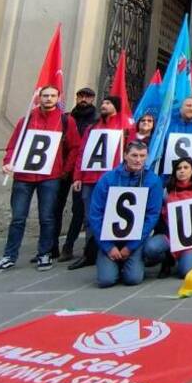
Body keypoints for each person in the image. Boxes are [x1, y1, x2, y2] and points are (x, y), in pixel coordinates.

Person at [0, 85, 81, 275]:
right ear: (39, 98)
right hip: (23, 176)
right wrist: (8, 162)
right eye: (45, 95)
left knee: (47, 217)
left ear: (58, 98)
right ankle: (9, 255)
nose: (48, 99)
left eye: (52, 96)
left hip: (50, 177)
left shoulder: (66, 121)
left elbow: (75, 147)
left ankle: (44, 253)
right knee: (18, 218)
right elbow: (14, 144)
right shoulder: (27, 120)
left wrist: (65, 170)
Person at [88, 141, 163, 288]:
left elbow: (152, 216)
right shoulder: (107, 179)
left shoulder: (153, 181)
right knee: (106, 281)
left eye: (142, 156)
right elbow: (95, 214)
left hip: (135, 239)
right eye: (134, 155)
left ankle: (139, 259)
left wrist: (131, 247)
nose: (138, 160)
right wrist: (108, 247)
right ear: (125, 156)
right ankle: (113, 261)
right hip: (110, 238)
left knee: (133, 279)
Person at [67, 95, 124, 271]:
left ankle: (110, 249)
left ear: (116, 107)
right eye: (104, 103)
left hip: (113, 180)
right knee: (91, 217)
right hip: (90, 179)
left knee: (113, 215)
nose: (104, 105)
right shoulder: (92, 128)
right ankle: (90, 252)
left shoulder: (124, 127)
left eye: (108, 103)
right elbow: (83, 152)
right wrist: (78, 176)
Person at [52, 87, 98, 261]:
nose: (84, 99)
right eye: (81, 96)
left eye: (87, 96)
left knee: (78, 210)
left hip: (83, 170)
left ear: (93, 99)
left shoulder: (96, 120)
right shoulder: (66, 118)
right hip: (63, 169)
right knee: (55, 208)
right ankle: (52, 245)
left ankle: (69, 245)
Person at [142, 156, 192, 278]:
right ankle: (167, 258)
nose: (182, 171)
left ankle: (186, 258)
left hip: (191, 240)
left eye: (186, 167)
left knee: (186, 272)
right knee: (150, 248)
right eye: (178, 168)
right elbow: (159, 216)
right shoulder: (166, 191)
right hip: (169, 236)